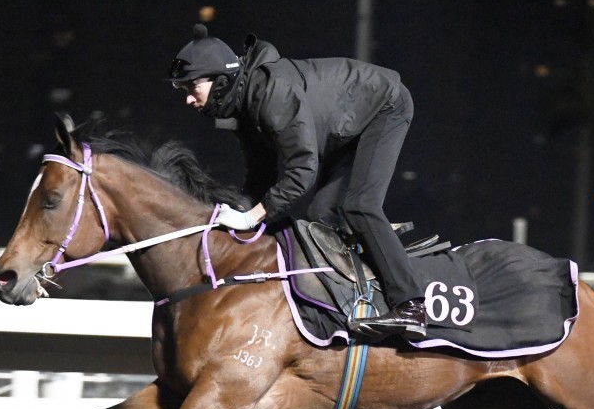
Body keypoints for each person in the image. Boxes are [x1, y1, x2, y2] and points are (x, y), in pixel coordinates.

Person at [166, 24, 427, 340]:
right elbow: (261, 179)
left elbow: (302, 172)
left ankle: (411, 306)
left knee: (359, 206)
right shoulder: (243, 109)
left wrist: (252, 217)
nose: (189, 100)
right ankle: (358, 299)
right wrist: (232, 214)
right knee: (321, 217)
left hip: (384, 107)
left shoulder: (272, 96)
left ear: (220, 82)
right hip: (340, 130)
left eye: (192, 87)